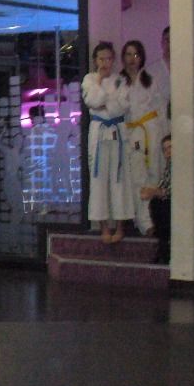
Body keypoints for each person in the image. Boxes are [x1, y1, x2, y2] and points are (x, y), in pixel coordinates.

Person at [82, 41, 134, 243]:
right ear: (95, 60)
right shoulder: (89, 79)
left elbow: (122, 108)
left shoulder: (120, 80)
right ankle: (103, 227)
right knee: (98, 180)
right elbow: (92, 102)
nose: (105, 62)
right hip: (98, 132)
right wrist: (100, 85)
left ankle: (120, 226)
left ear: (113, 60)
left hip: (117, 131)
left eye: (109, 58)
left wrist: (105, 103)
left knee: (120, 178)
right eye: (101, 58)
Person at [120, 39, 165, 237]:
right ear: (123, 58)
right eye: (129, 54)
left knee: (154, 173)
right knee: (137, 176)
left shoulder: (150, 80)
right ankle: (143, 222)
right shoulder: (118, 83)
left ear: (142, 58)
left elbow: (160, 108)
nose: (132, 59)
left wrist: (163, 134)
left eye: (136, 55)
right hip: (132, 133)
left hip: (152, 130)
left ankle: (154, 219)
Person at [142, 134, 172, 264]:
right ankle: (162, 245)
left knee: (159, 204)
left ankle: (164, 247)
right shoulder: (168, 167)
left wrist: (154, 192)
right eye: (165, 149)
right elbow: (162, 186)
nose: (168, 152)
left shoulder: (180, 167)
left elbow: (171, 191)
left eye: (170, 147)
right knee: (155, 203)